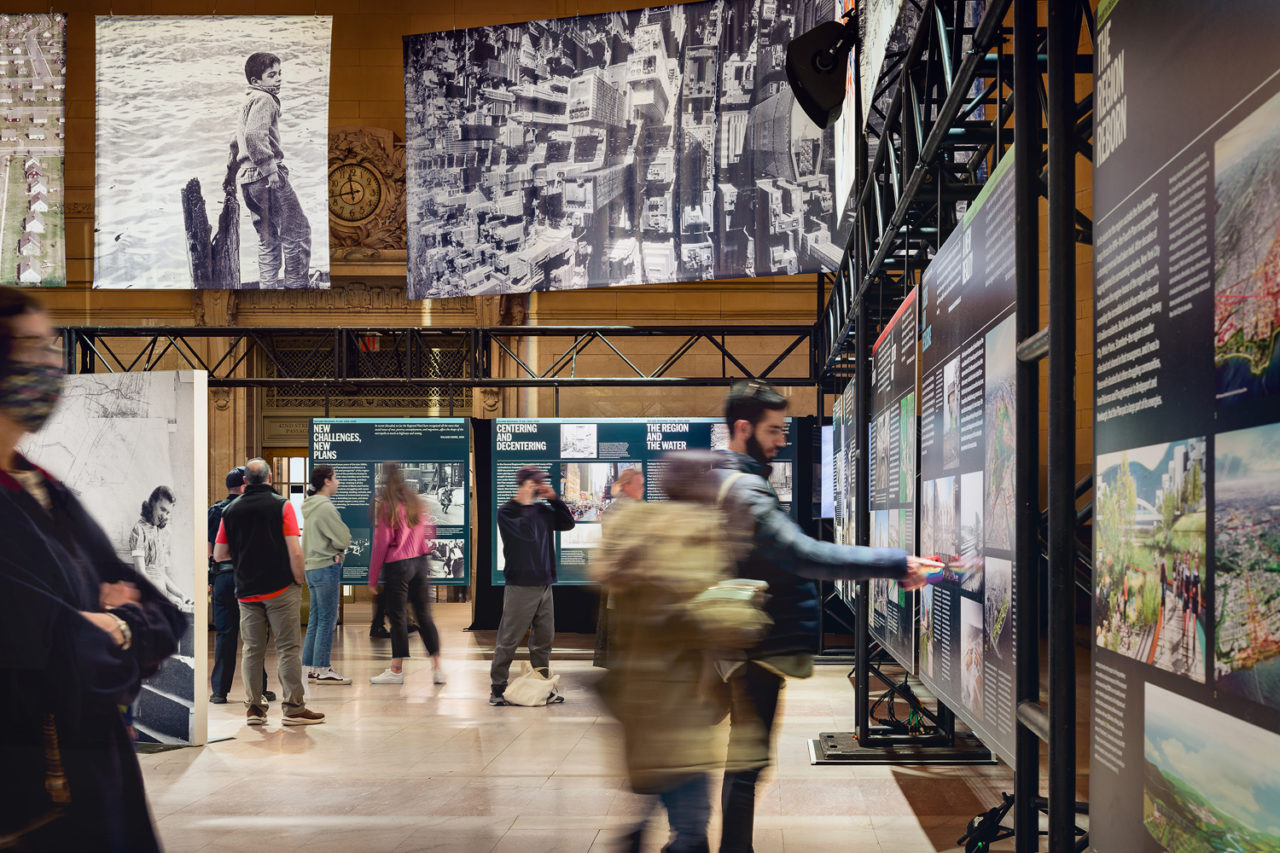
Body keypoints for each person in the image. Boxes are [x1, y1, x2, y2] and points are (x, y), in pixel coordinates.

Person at [711, 380, 936, 853]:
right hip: (758, 649)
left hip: (753, 644)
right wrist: (895, 564)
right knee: (748, 763)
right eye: (774, 431)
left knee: (746, 760)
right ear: (743, 428)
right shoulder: (748, 489)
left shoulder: (737, 479)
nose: (781, 440)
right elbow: (802, 553)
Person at [0, 285, 184, 851]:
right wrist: (100, 625)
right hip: (31, 790)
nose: (51, 364)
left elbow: (164, 616)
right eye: (32, 349)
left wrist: (120, 625)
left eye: (53, 347)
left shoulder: (47, 488)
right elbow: (67, 652)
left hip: (96, 777)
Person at [593, 453, 764, 853]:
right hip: (677, 705)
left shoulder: (643, 528)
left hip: (645, 698)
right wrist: (741, 612)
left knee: (669, 791)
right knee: (691, 824)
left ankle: (635, 838)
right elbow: (691, 615)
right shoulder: (690, 536)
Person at [213, 458, 325, 726]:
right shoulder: (281, 505)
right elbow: (294, 549)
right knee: (287, 648)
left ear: (245, 482)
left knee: (252, 649)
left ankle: (254, 709)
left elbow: (219, 554)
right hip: (280, 587)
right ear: (270, 479)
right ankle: (294, 708)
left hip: (246, 590)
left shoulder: (230, 510)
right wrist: (299, 580)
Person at [223, 51, 311, 289]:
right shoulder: (265, 100)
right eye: (272, 75)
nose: (279, 79)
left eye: (280, 74)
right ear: (256, 82)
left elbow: (235, 142)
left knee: (268, 238)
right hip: (266, 177)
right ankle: (296, 290)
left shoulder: (247, 101)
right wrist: (271, 170)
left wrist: (230, 176)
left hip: (247, 181)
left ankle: (268, 288)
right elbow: (253, 136)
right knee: (297, 233)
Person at [490, 465, 575, 706]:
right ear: (528, 484)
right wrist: (528, 502)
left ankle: (542, 686)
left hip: (545, 583)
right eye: (538, 482)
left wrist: (555, 500)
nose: (542, 486)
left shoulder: (542, 510)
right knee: (509, 638)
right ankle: (498, 687)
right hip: (520, 584)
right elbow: (525, 535)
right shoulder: (507, 512)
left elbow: (568, 524)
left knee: (544, 640)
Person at [367, 462, 446, 686]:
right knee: (424, 615)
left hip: (398, 565)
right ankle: (438, 668)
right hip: (420, 562)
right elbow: (431, 530)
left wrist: (373, 578)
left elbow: (381, 544)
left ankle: (396, 669)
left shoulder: (388, 506)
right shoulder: (416, 503)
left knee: (398, 617)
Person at [207, 466, 273, 704]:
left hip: (222, 578)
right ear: (246, 483)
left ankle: (219, 691)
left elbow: (208, 550)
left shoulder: (214, 510)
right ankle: (261, 689)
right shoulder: (251, 509)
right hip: (249, 577)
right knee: (255, 636)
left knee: (225, 634)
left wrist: (209, 578)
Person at [301, 464, 352, 685]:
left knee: (316, 618)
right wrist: (341, 549)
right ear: (327, 481)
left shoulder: (310, 506)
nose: (338, 481)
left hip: (312, 568)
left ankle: (312, 667)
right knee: (327, 619)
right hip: (325, 566)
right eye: (336, 477)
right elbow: (343, 537)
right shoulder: (325, 507)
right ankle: (322, 667)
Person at [594, 465, 645, 668]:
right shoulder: (617, 511)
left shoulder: (638, 507)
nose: (642, 488)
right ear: (626, 486)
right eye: (639, 485)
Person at [130, 485, 193, 611]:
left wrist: (182, 595)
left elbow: (160, 574)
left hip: (160, 599)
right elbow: (142, 574)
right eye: (162, 509)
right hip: (146, 599)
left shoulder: (158, 531)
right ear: (152, 504)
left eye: (168, 512)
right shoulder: (139, 530)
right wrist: (167, 600)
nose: (165, 516)